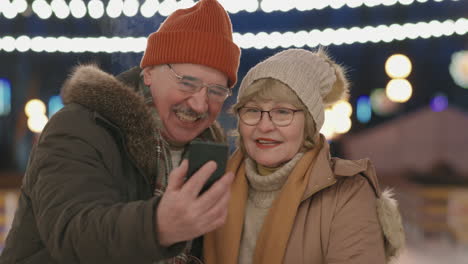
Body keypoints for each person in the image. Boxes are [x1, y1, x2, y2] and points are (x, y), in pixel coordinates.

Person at [0, 0, 240, 263]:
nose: (199, 104)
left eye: (216, 91)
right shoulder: (81, 126)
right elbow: (71, 235)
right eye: (187, 83)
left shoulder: (209, 150)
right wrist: (158, 226)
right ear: (149, 73)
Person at [204, 48, 405, 264]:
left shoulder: (348, 193)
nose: (264, 125)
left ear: (309, 124)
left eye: (282, 112)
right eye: (252, 110)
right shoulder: (213, 186)